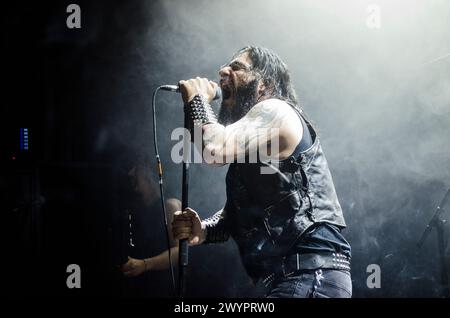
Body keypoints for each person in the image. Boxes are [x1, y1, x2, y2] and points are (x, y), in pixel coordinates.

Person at [172, 46, 352, 298]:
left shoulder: (275, 109)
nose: (223, 71)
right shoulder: (253, 144)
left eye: (236, 67)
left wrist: (197, 98)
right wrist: (203, 229)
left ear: (263, 85)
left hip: (311, 275)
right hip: (295, 280)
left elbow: (213, 149)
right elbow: (235, 217)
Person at [116, 154, 181, 296]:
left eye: (137, 169)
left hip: (164, 289)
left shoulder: (171, 206)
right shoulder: (135, 210)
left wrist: (145, 264)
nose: (130, 173)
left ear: (151, 175)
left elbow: (179, 252)